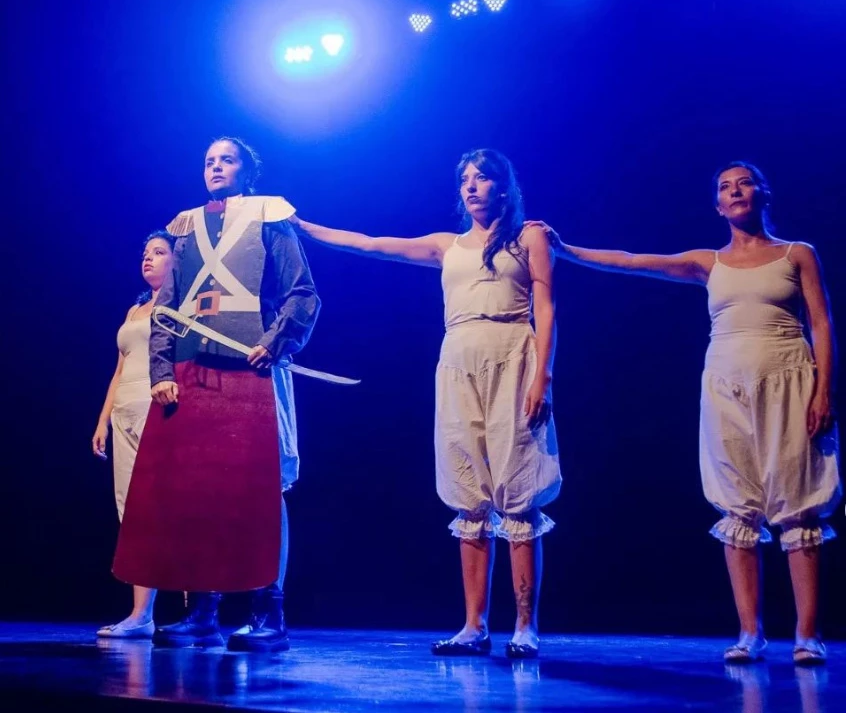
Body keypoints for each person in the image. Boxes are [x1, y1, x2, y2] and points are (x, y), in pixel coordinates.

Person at [529, 161, 840, 665]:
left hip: (789, 378)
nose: (735, 191)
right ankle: (750, 633)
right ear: (718, 206)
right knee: (738, 504)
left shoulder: (797, 254)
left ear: (762, 194)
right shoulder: (707, 262)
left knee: (798, 502)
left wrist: (824, 389)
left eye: (744, 183)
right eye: (725, 187)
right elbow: (634, 260)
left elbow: (822, 325)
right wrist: (568, 249)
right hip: (726, 385)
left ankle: (807, 634)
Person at [290, 149, 561, 659]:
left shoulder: (530, 237)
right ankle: (474, 625)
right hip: (458, 358)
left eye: (482, 178)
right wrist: (306, 227)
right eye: (465, 179)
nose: (472, 186)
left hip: (513, 356)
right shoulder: (447, 245)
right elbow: (373, 245)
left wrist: (541, 377)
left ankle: (525, 626)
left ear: (503, 187)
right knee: (469, 492)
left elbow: (545, 309)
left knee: (518, 490)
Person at [112, 137, 321, 652]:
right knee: (196, 492)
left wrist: (275, 343)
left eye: (226, 160)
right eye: (208, 161)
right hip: (191, 375)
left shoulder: (272, 217)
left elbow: (302, 292)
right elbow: (167, 306)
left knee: (259, 492)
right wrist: (162, 368)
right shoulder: (185, 227)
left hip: (251, 372)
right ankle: (202, 612)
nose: (215, 168)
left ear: (246, 171)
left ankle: (268, 613)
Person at [92, 231, 175, 639]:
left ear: (176, 262)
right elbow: (120, 368)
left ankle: (196, 614)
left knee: (158, 506)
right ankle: (141, 615)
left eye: (159, 253)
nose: (148, 259)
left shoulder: (179, 304)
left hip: (157, 408)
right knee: (129, 510)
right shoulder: (135, 308)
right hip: (124, 409)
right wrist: (103, 419)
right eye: (145, 253)